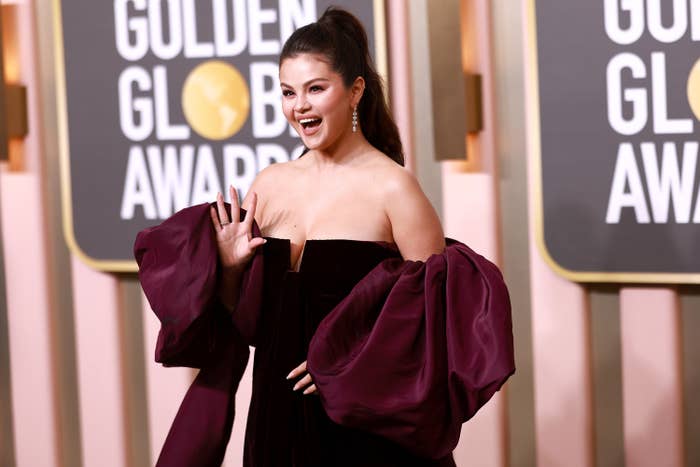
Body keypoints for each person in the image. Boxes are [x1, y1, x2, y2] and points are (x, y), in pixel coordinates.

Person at [135, 7, 514, 467]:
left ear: (355, 91)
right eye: (288, 92)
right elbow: (250, 327)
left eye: (316, 89)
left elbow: (430, 332)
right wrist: (233, 272)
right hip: (275, 420)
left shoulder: (394, 188)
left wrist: (348, 363)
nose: (300, 106)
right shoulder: (269, 184)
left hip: (363, 431)